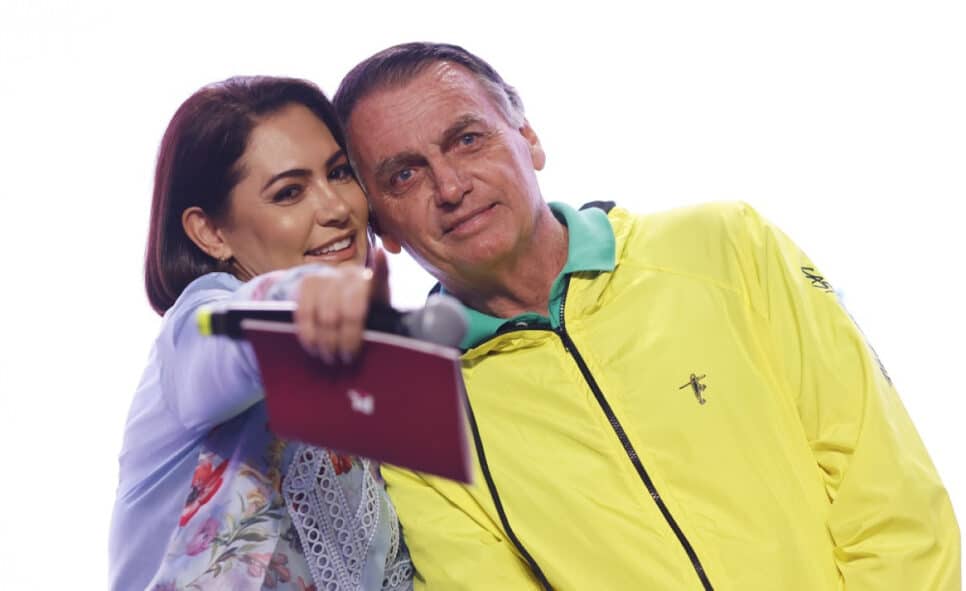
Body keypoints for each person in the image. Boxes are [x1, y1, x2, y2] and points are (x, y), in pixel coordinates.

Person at [325, 42, 961, 589]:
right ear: (383, 226)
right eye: (405, 175)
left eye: (467, 140)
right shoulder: (412, 413)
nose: (451, 186)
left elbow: (888, 496)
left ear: (528, 138)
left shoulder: (727, 244)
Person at [108, 76, 412, 591]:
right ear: (211, 232)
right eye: (289, 192)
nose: (335, 208)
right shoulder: (200, 323)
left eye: (339, 173)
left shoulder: (383, 380)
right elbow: (229, 350)